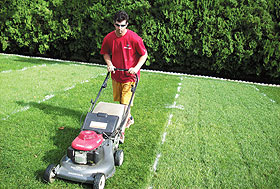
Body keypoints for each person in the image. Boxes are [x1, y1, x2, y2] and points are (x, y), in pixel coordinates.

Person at [100, 10, 148, 131]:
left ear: (127, 24)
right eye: (117, 25)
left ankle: (121, 131)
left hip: (130, 77)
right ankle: (129, 118)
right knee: (120, 102)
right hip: (116, 75)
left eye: (122, 25)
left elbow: (144, 55)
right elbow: (105, 53)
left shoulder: (134, 38)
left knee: (124, 104)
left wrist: (136, 68)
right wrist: (109, 64)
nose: (120, 28)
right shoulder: (109, 38)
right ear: (114, 24)